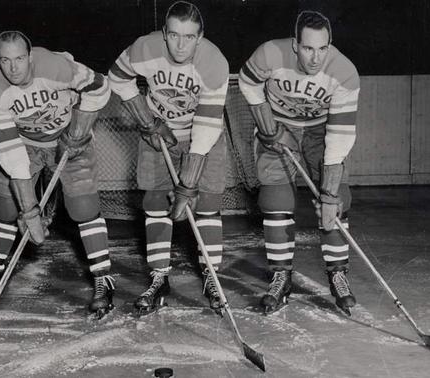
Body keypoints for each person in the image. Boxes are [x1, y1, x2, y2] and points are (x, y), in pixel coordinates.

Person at [0, 31, 115, 319]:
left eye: (19, 58)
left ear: (30, 57)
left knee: (84, 208)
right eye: (5, 61)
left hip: (67, 139)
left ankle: (103, 278)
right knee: (5, 207)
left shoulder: (56, 66)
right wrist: (30, 210)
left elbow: (100, 87)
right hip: (26, 146)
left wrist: (80, 131)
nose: (13, 68)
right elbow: (11, 155)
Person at [108, 1, 229, 315]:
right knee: (154, 203)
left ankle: (211, 275)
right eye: (174, 35)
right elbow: (117, 78)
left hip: (203, 132)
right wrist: (148, 121)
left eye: (188, 37)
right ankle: (159, 275)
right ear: (164, 33)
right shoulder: (144, 49)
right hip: (158, 133)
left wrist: (187, 186)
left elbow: (204, 130)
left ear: (200, 37)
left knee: (207, 204)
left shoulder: (213, 62)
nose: (180, 44)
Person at [238, 10, 360, 315]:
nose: (316, 58)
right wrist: (268, 128)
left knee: (337, 199)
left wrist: (329, 193)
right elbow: (248, 82)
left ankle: (337, 274)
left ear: (330, 45)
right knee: (275, 198)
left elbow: (341, 136)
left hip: (322, 128)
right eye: (308, 48)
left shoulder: (344, 72)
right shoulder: (270, 54)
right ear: (295, 44)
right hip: (280, 123)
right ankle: (281, 276)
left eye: (323, 48)